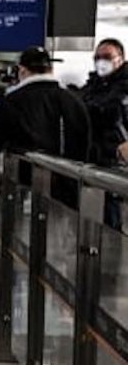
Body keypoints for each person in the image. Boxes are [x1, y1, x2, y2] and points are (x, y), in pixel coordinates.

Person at [0, 47, 90, 204]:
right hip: (69, 192)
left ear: (22, 70)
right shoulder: (73, 100)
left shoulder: (12, 101)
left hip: (22, 188)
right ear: (50, 69)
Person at [79, 38, 128, 227]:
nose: (101, 62)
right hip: (93, 157)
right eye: (97, 57)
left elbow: (109, 111)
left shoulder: (123, 87)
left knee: (110, 212)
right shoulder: (94, 84)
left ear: (120, 59)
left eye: (107, 57)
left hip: (114, 159)